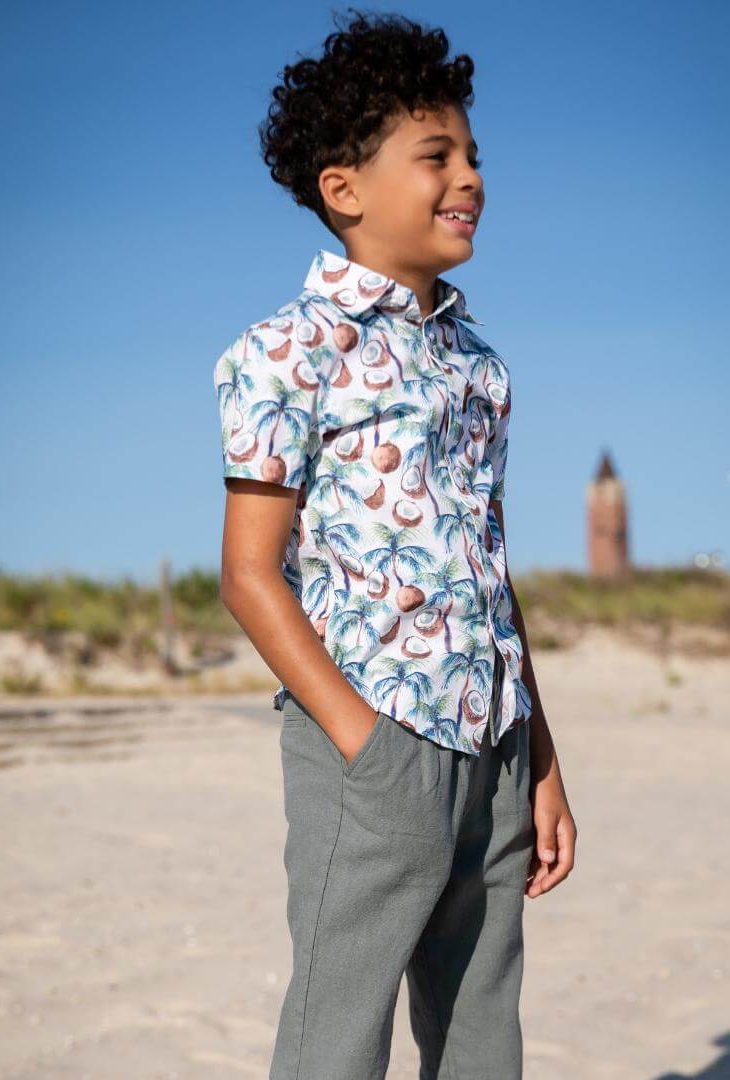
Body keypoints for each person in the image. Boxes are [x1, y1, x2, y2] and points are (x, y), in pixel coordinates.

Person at [213, 11, 576, 1078]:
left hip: (495, 743)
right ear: (345, 188)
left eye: (473, 155)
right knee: (337, 1037)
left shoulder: (479, 366)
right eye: (436, 156)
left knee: (481, 1034)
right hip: (372, 739)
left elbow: (490, 577)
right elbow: (248, 573)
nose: (469, 178)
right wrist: (361, 742)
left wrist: (541, 758)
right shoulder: (288, 351)